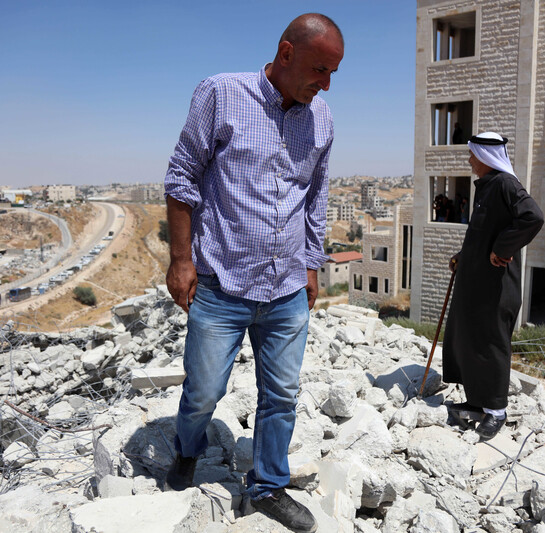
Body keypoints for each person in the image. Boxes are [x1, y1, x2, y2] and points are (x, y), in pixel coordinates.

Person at [162, 13, 343, 532]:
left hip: (286, 288)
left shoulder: (322, 119)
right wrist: (181, 259)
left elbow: (316, 198)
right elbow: (181, 177)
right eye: (318, 68)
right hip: (221, 285)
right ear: (285, 53)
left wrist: (311, 265)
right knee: (203, 392)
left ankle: (267, 485)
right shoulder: (221, 94)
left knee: (282, 394)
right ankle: (188, 450)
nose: (325, 83)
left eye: (333, 73)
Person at [442, 132, 544, 440]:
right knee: (471, 339)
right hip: (477, 284)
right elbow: (483, 232)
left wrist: (503, 248)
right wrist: (465, 255)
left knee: (493, 344)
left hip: (497, 287)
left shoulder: (505, 184)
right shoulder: (487, 188)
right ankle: (476, 402)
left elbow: (533, 218)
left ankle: (496, 411)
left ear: (486, 158)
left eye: (473, 155)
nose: (470, 160)